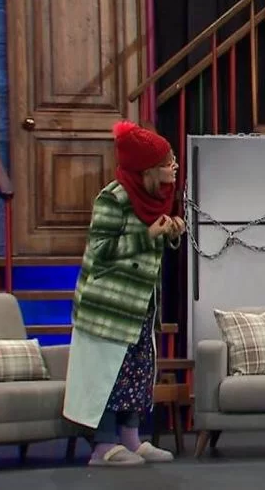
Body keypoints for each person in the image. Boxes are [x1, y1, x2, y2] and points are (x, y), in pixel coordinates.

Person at [62, 120, 186, 466]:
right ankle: (103, 445)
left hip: (140, 304)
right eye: (168, 162)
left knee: (136, 371)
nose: (174, 167)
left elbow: (151, 246)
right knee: (107, 374)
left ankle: (131, 437)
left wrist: (171, 233)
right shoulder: (113, 198)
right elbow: (100, 249)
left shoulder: (155, 197)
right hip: (108, 304)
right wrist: (147, 236)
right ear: (147, 169)